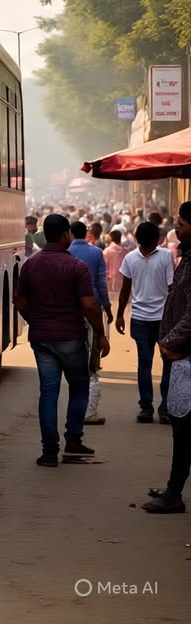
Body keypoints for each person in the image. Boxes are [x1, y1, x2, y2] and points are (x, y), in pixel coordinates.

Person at [15, 213, 110, 467]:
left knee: (48, 393)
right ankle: (73, 441)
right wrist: (100, 334)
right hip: (70, 337)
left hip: (42, 338)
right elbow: (89, 305)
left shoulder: (31, 265)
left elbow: (20, 302)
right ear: (66, 233)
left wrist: (35, 320)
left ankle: (49, 452)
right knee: (78, 388)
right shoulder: (76, 267)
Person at [143, 203, 191, 513]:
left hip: (184, 354)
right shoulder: (185, 258)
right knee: (181, 425)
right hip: (181, 353)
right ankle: (174, 488)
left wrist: (170, 342)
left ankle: (174, 493)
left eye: (182, 223)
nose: (177, 228)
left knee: (183, 427)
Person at [116, 221, 174, 423]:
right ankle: (165, 407)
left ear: (137, 238)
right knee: (168, 364)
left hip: (140, 318)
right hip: (163, 319)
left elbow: (125, 289)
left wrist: (120, 315)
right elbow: (171, 288)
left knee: (144, 364)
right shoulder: (167, 256)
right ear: (157, 239)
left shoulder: (130, 258)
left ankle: (146, 409)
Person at [69, 221, 112, 425]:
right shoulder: (96, 253)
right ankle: (89, 411)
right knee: (92, 364)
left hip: (69, 314)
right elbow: (101, 283)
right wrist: (108, 308)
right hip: (92, 312)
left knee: (74, 363)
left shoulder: (65, 253)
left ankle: (77, 411)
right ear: (85, 233)